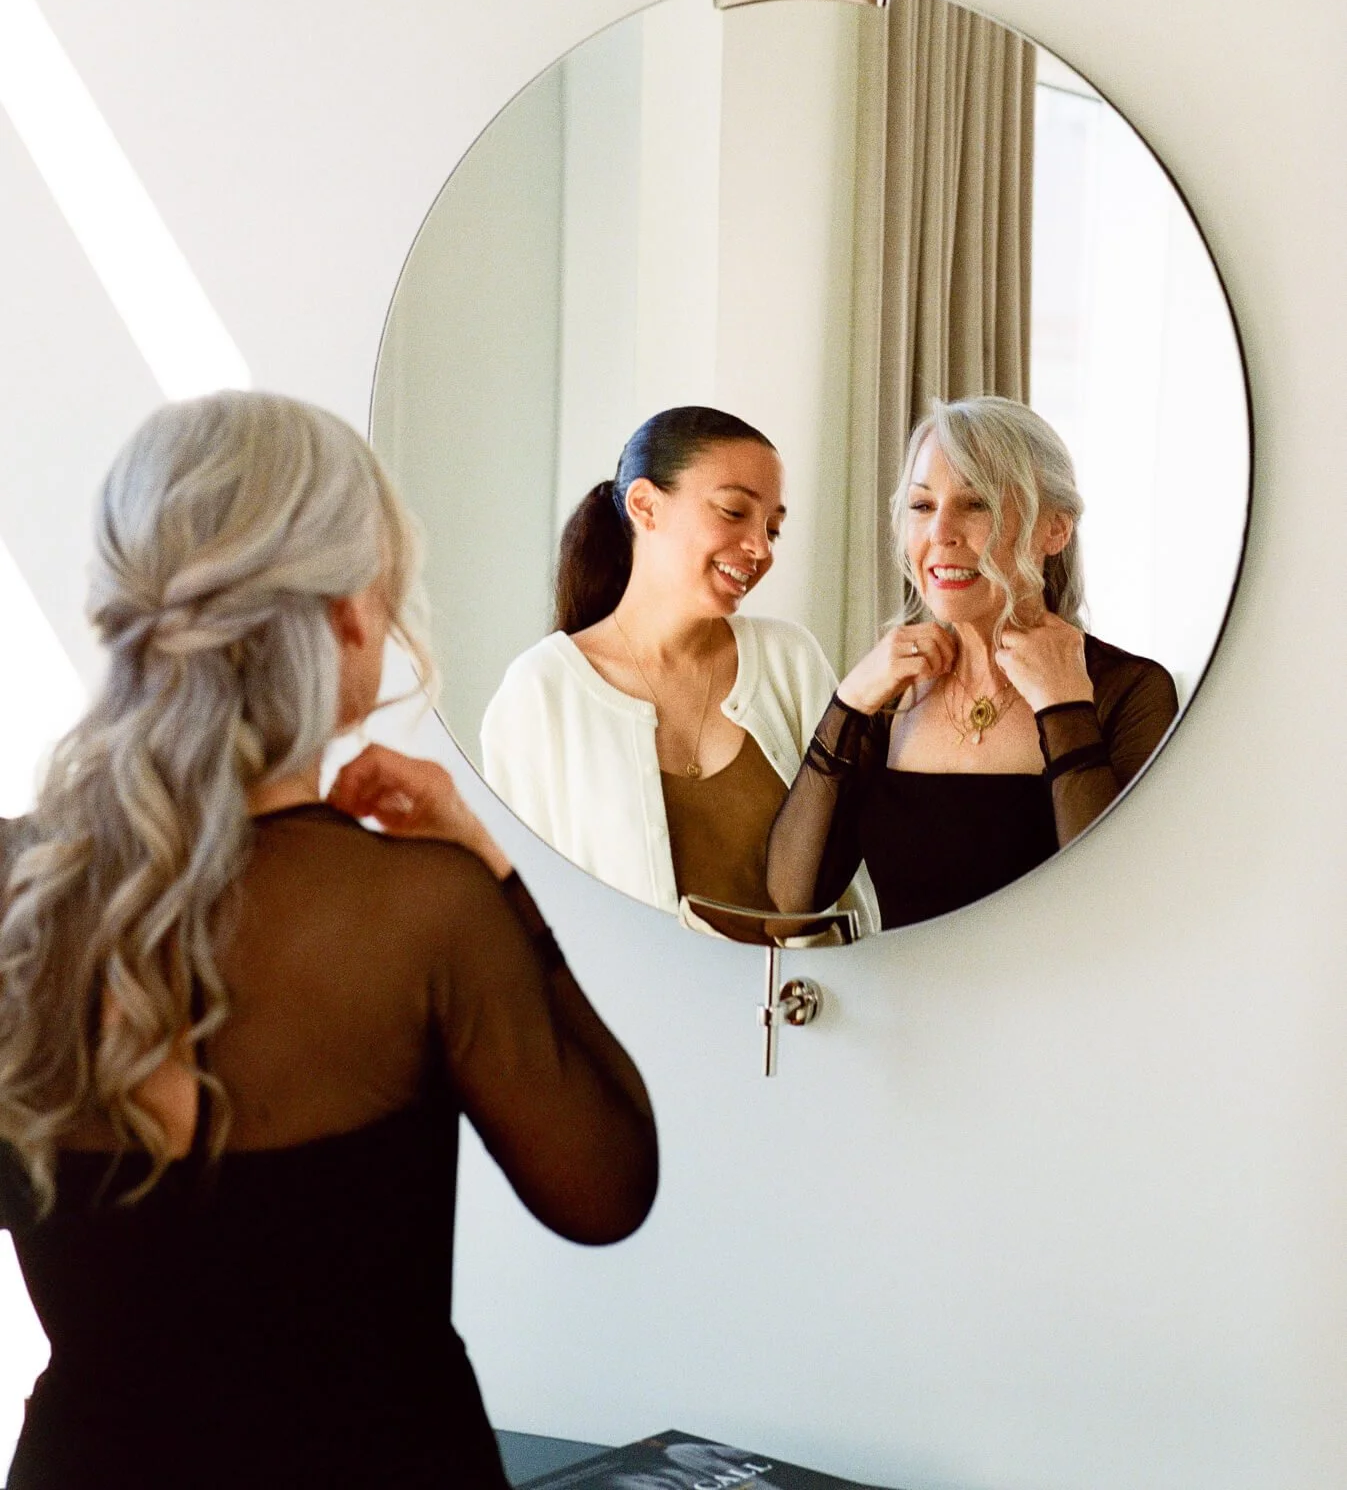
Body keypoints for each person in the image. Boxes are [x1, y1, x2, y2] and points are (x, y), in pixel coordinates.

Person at [0, 390, 658, 1490]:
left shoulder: (15, 892)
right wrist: (493, 873)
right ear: (351, 611)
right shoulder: (422, 911)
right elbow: (607, 1188)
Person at [766, 395, 1179, 931]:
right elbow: (794, 898)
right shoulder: (892, 697)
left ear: (1054, 529)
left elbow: (1115, 911)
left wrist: (1064, 706)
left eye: (976, 503)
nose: (940, 534)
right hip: (908, 1010)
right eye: (922, 506)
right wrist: (848, 703)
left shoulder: (1129, 691)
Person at [480, 407, 859, 926]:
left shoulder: (789, 660)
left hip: (809, 1003)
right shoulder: (541, 692)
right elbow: (523, 912)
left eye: (773, 528)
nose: (759, 548)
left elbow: (848, 871)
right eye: (733, 511)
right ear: (645, 506)